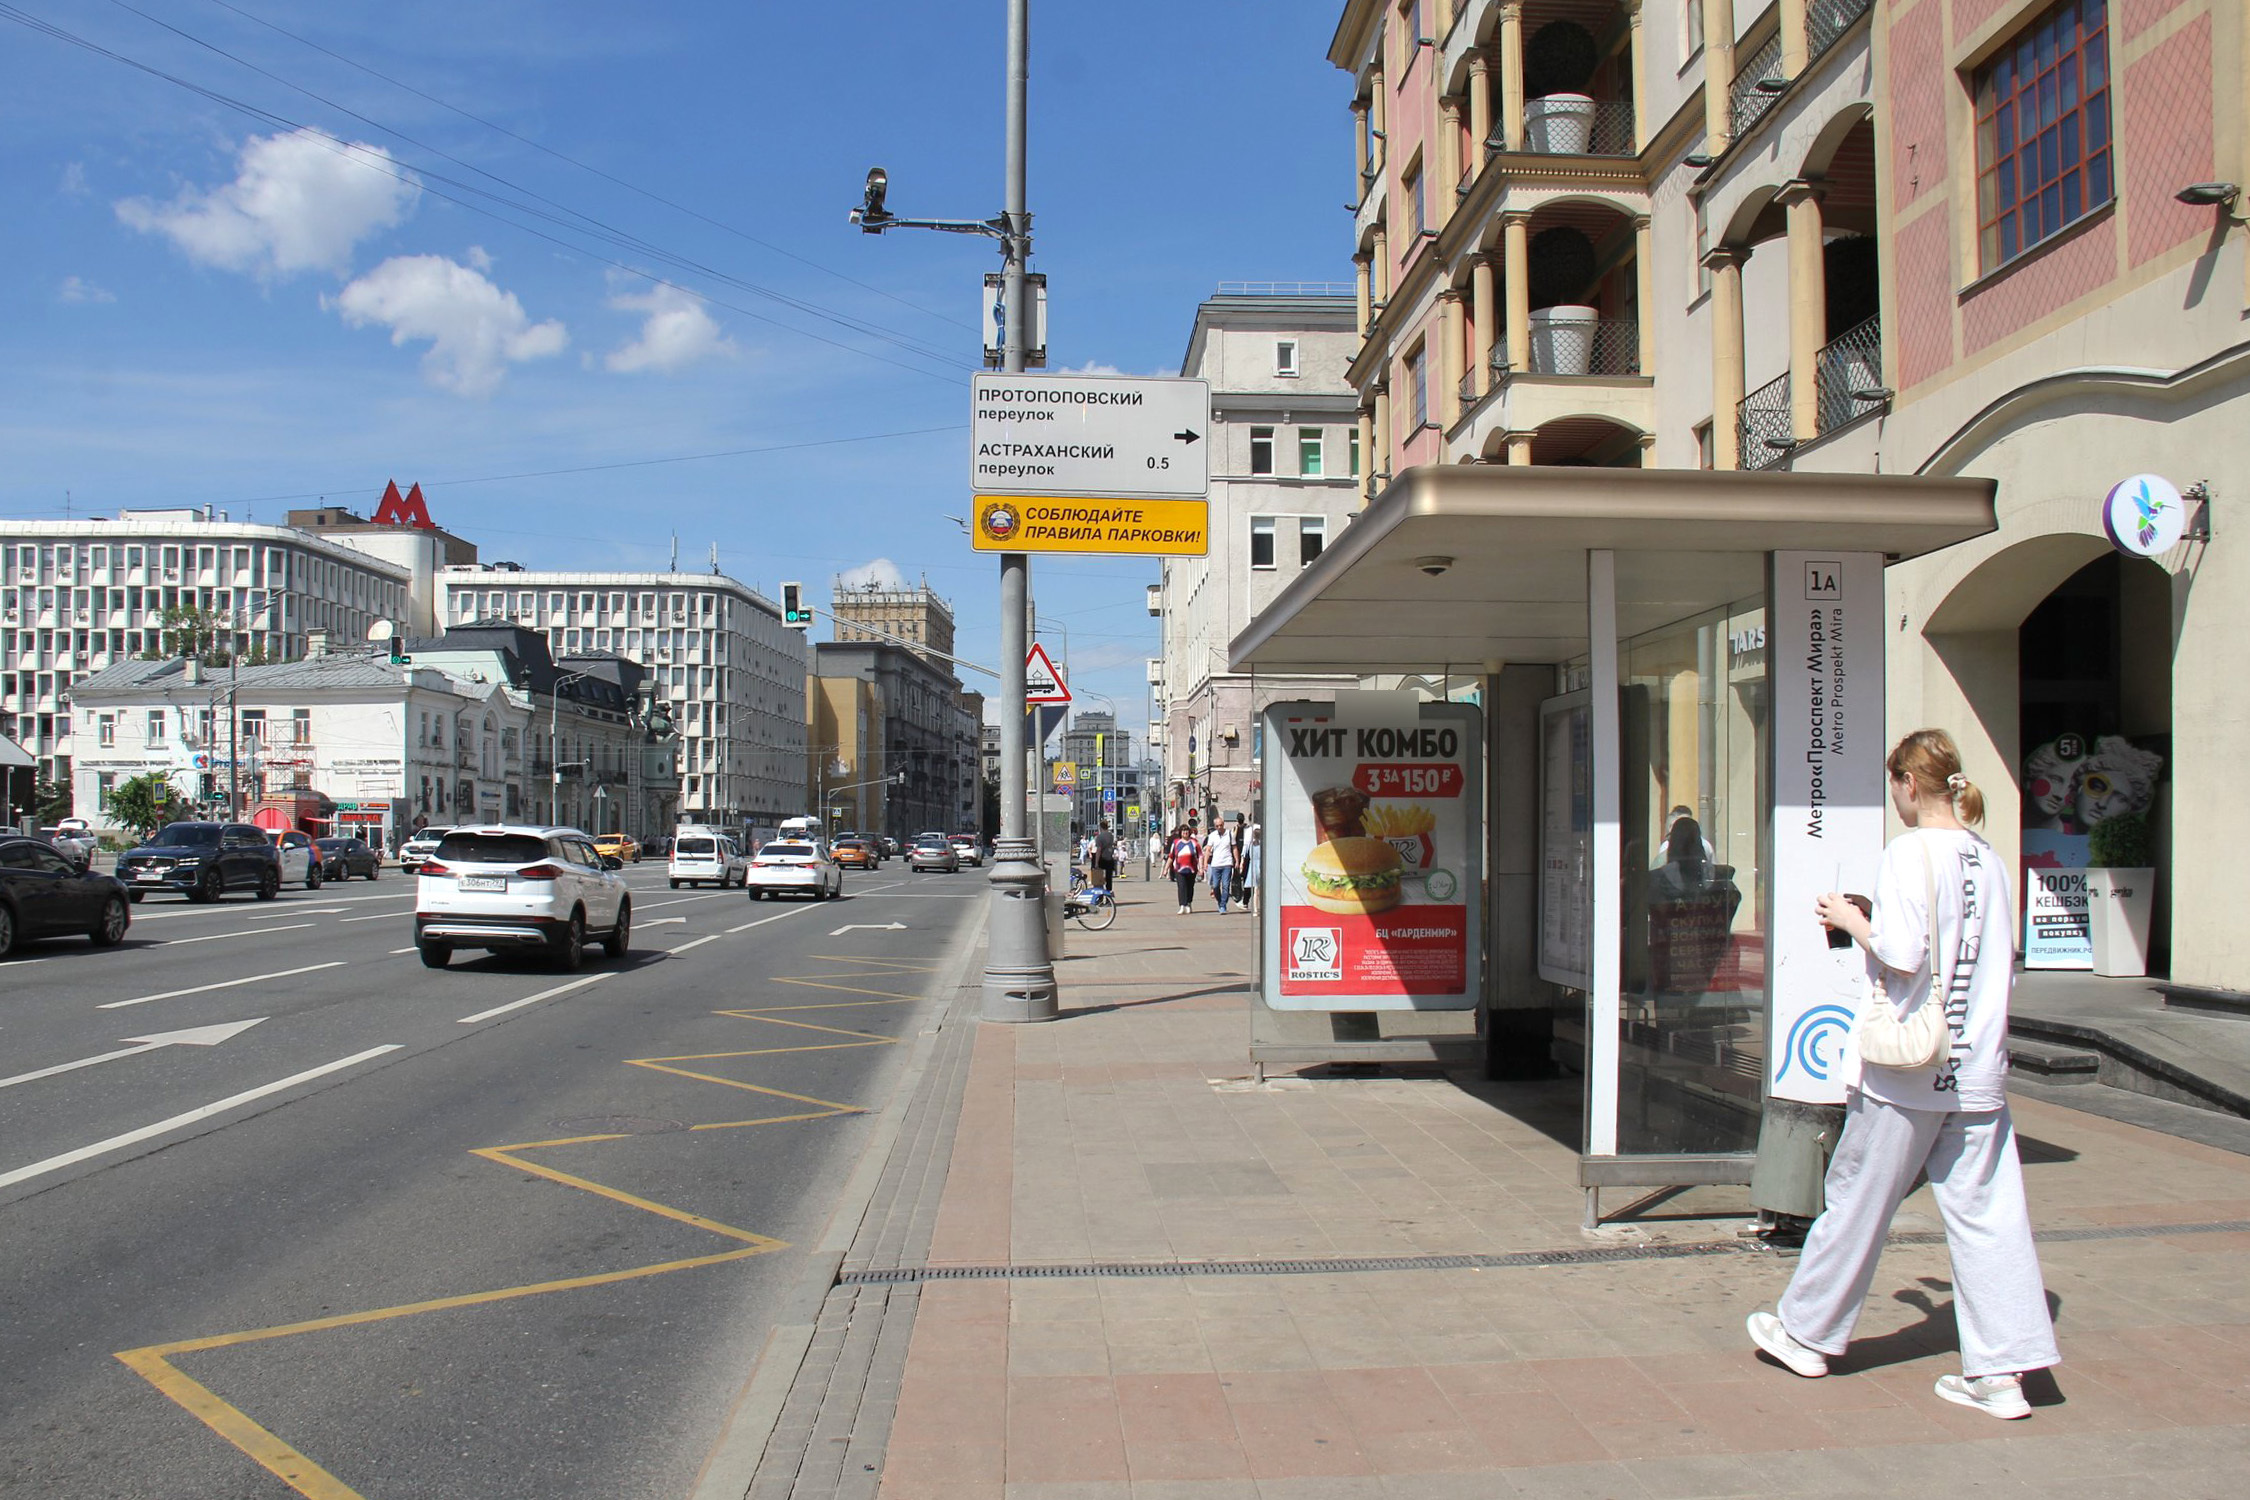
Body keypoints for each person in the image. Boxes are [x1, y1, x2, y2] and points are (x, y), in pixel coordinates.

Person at [1747, 729, 2058, 1420]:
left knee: (1858, 1197)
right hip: (1977, 1066)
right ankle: (2002, 1372)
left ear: (1909, 783)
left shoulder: (1908, 853)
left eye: (1895, 786)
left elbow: (1903, 952)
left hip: (1908, 1069)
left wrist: (1850, 918)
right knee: (1989, 1216)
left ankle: (1807, 1333)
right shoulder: (1988, 859)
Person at [1202, 818, 1239, 914]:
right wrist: (1205, 863)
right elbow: (1208, 850)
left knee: (1226, 885)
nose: (1219, 827)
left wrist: (1237, 860)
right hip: (1215, 864)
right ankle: (1220, 901)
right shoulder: (1212, 836)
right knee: (1215, 886)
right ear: (1215, 826)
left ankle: (1223, 905)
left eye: (1221, 825)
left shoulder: (1230, 834)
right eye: (1217, 826)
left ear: (1223, 824)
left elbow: (1234, 848)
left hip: (1227, 863)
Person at [1168, 826, 1201, 914]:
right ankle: (1182, 905)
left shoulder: (1194, 842)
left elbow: (1200, 855)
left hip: (1191, 869)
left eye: (1186, 830)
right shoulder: (1176, 843)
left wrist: (1201, 868)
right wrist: (1165, 869)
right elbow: (1171, 856)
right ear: (1180, 833)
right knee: (1181, 887)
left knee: (1190, 887)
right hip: (1179, 869)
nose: (1185, 832)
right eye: (1183, 831)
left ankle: (1189, 903)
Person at [1239, 823, 1262, 914]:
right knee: (1259, 890)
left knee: (1256, 889)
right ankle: (1259, 908)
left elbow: (1244, 855)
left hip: (1253, 866)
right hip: (1260, 865)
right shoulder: (1262, 845)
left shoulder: (1250, 845)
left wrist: (1241, 864)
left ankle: (1256, 909)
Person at [1092, 819, 1117, 891]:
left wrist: (1096, 863)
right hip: (1109, 858)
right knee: (1109, 877)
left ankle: (1099, 890)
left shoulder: (1099, 837)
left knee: (1098, 874)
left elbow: (1099, 850)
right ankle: (1109, 891)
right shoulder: (1110, 835)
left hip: (1102, 858)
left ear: (1100, 827)